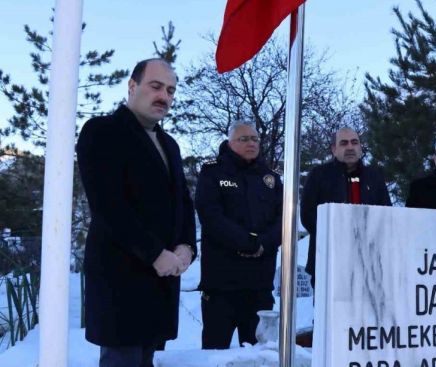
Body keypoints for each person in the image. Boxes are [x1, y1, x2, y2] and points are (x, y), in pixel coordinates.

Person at [77, 58, 197, 367]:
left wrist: (187, 247)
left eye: (171, 91)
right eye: (156, 87)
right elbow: (108, 205)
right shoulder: (102, 131)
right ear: (132, 87)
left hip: (160, 284)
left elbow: (183, 200)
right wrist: (155, 253)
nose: (164, 97)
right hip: (122, 280)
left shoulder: (169, 144)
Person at [195, 121, 283, 348]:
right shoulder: (212, 172)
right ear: (230, 142)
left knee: (260, 354)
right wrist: (248, 243)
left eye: (254, 139)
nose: (251, 143)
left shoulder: (271, 178)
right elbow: (211, 216)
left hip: (259, 284)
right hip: (222, 284)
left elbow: (283, 221)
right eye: (244, 139)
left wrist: (263, 243)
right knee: (215, 353)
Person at [301, 127, 391, 288]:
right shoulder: (319, 175)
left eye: (354, 142)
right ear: (334, 149)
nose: (350, 147)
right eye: (344, 143)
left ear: (360, 147)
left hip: (368, 261)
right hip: (328, 259)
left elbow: (386, 215)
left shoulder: (374, 177)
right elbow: (308, 216)